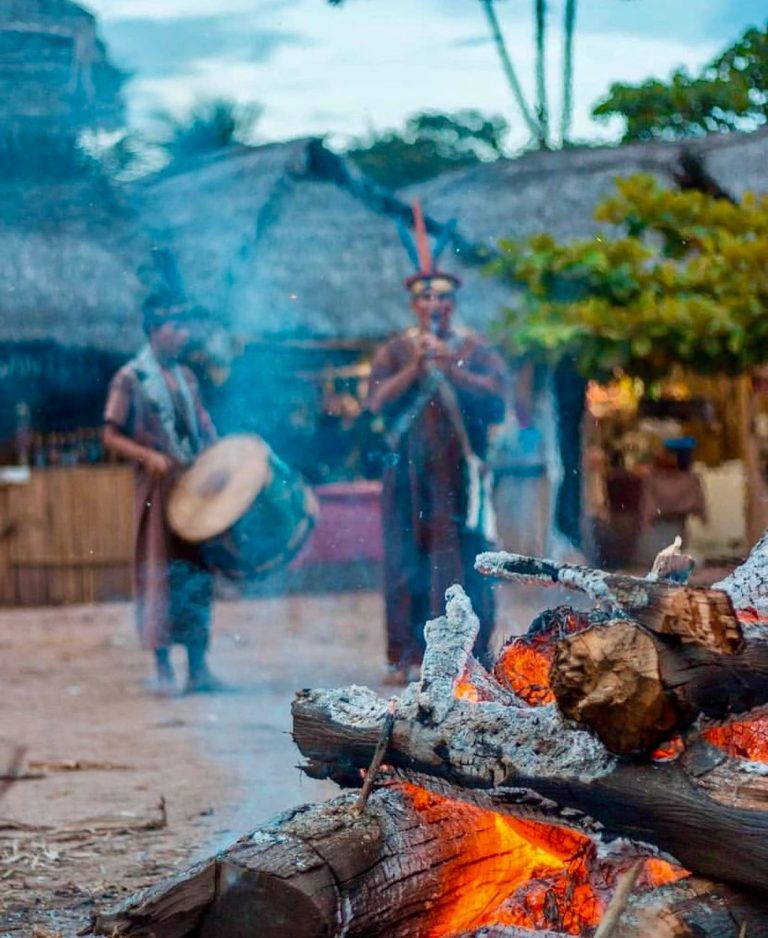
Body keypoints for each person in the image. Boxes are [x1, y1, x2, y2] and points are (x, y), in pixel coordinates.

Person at [368, 207, 508, 683]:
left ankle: (470, 656)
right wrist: (416, 369)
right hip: (406, 476)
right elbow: (376, 403)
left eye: (443, 297)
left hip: (461, 481)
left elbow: (497, 400)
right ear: (414, 305)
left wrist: (452, 369)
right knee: (406, 563)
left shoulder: (475, 347)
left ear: (453, 304)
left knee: (465, 565)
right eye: (426, 297)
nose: (435, 304)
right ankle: (405, 655)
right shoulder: (395, 350)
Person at [103, 295, 225, 695]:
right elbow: (110, 434)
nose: (185, 335)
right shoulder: (131, 378)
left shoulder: (187, 377)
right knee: (160, 574)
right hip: (157, 489)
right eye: (177, 328)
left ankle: (198, 668)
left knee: (196, 574)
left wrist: (223, 455)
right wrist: (149, 455)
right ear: (155, 330)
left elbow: (204, 427)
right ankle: (163, 671)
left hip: (193, 487)